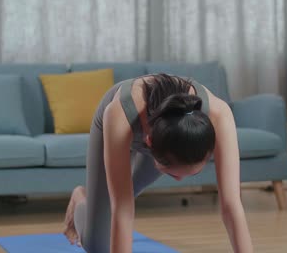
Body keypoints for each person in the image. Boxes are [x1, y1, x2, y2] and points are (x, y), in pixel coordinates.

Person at [63, 73, 253, 252]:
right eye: (171, 173)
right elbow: (123, 208)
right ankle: (81, 197)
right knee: (97, 247)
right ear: (149, 144)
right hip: (118, 125)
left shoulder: (219, 115)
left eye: (193, 173)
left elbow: (231, 206)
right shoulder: (118, 113)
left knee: (130, 190)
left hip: (167, 135)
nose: (179, 180)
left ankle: (97, 200)